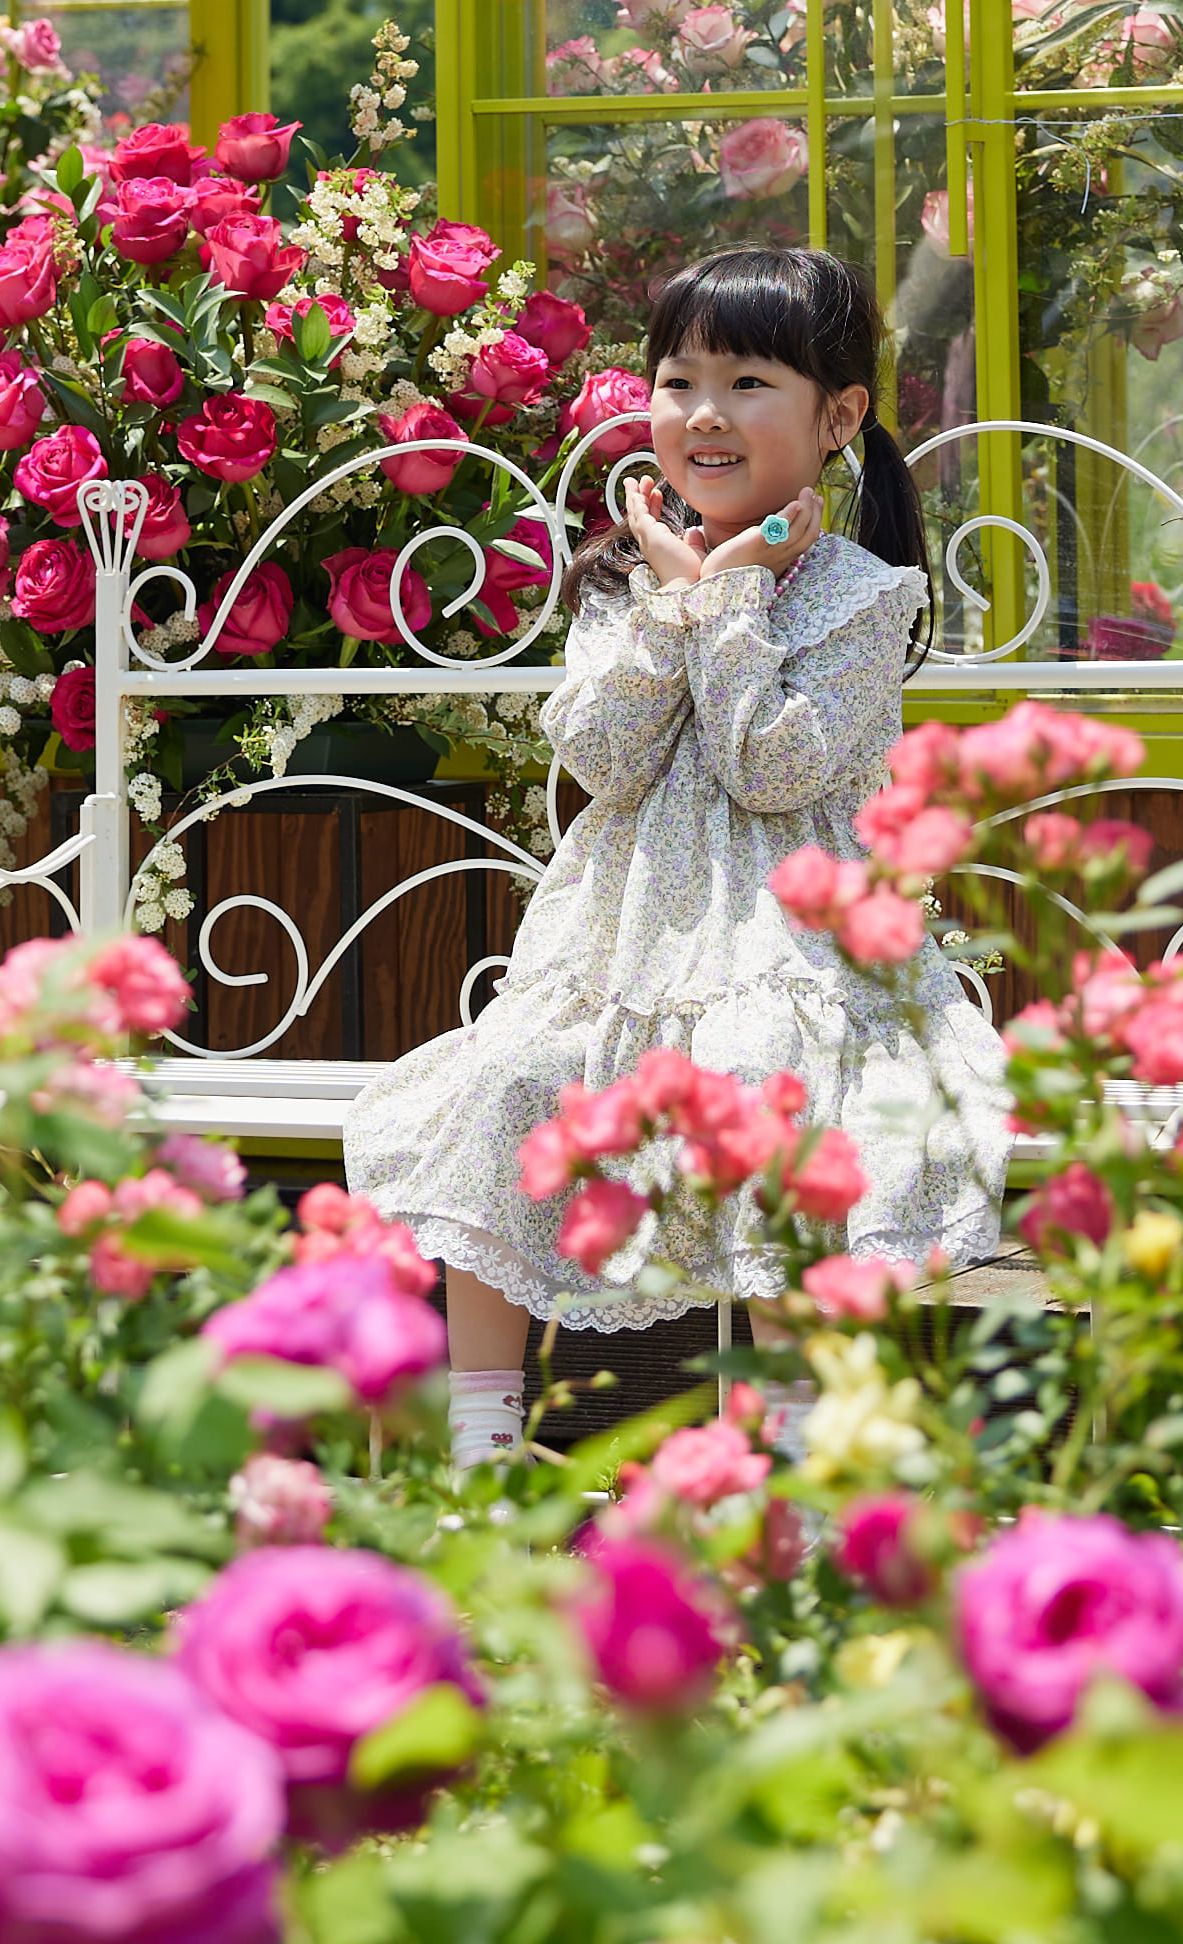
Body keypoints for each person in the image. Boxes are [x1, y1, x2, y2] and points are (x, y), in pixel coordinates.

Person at [340, 244, 1006, 1456]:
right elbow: (603, 755)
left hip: (798, 959)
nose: (704, 414)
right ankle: (483, 1461)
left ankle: (791, 1481)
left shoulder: (863, 597)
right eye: (679, 379)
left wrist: (731, 601)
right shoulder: (623, 581)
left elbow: (774, 771)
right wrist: (672, 602)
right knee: (503, 1095)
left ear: (838, 415)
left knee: (773, 1111)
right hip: (621, 959)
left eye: (749, 382)